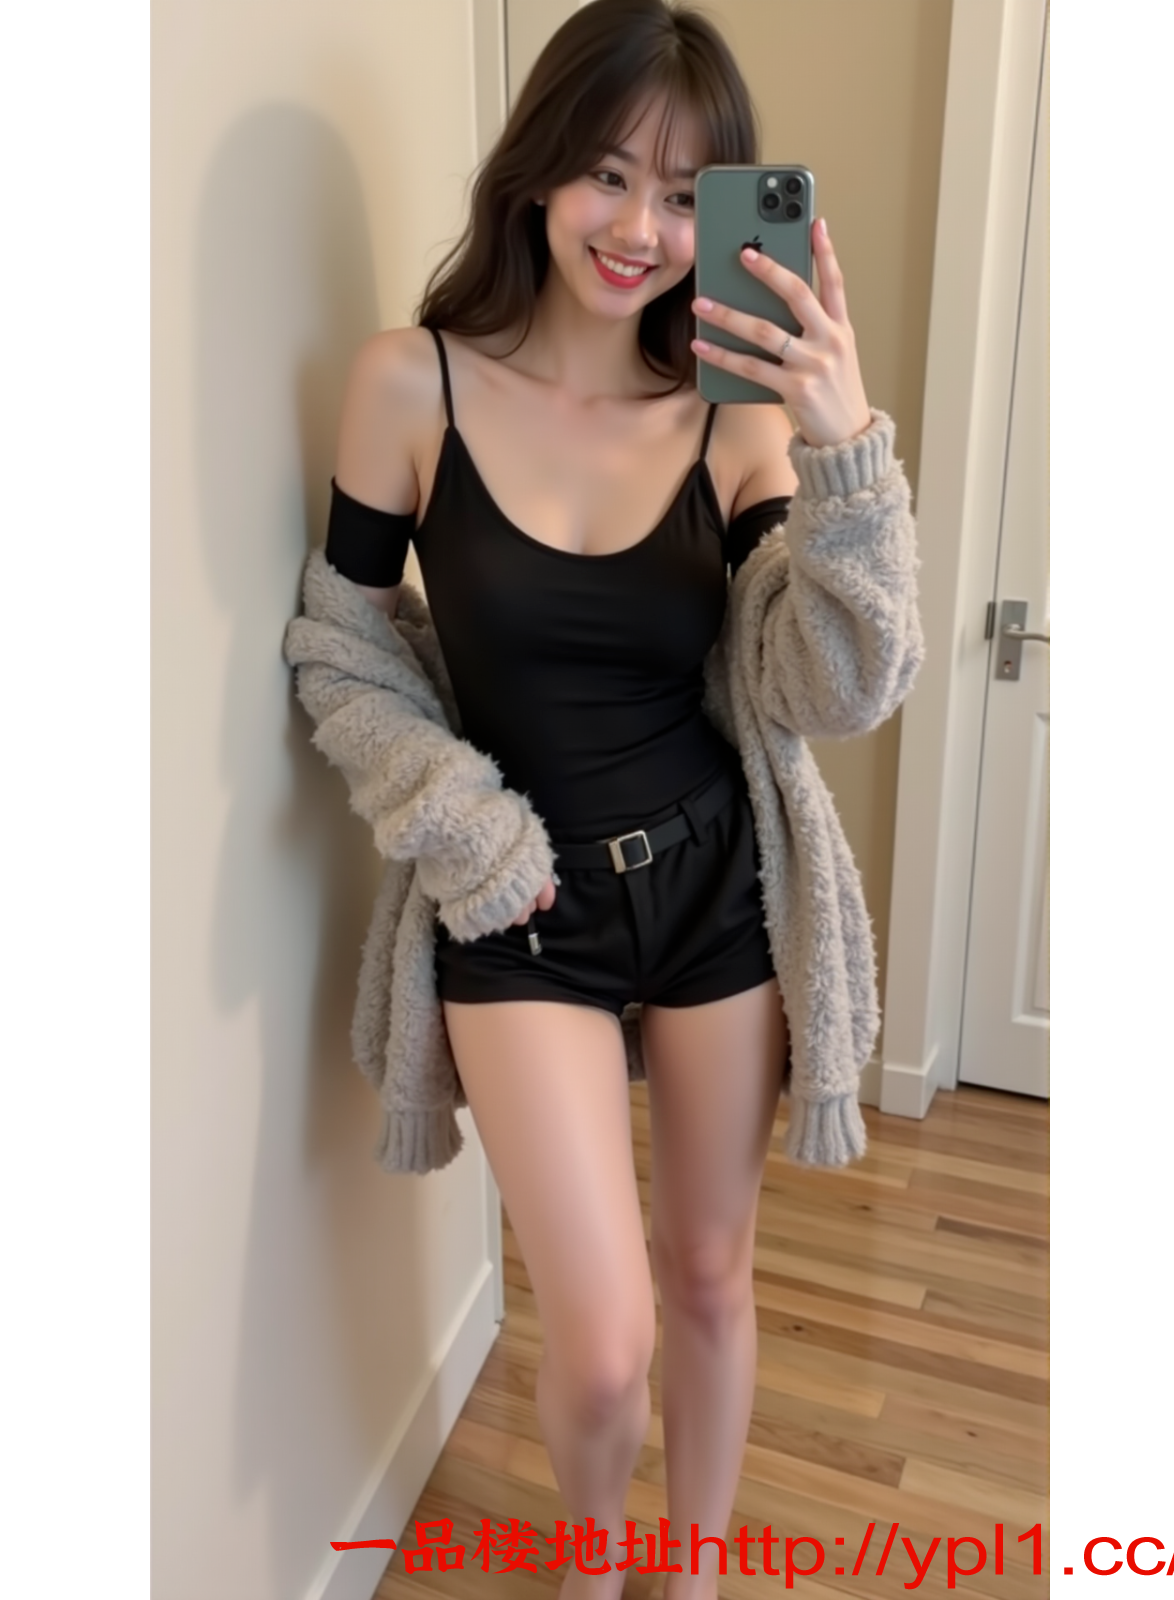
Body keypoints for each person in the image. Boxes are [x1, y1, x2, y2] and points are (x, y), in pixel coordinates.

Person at [285, 3, 923, 1596]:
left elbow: (837, 684)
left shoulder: (733, 417)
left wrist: (845, 448)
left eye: (687, 192)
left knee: (708, 1277)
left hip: (716, 889)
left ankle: (687, 1574)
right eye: (609, 174)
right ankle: (592, 1570)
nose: (640, 226)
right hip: (520, 904)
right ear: (538, 171)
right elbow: (342, 648)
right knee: (604, 1337)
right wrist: (463, 824)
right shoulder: (409, 388)